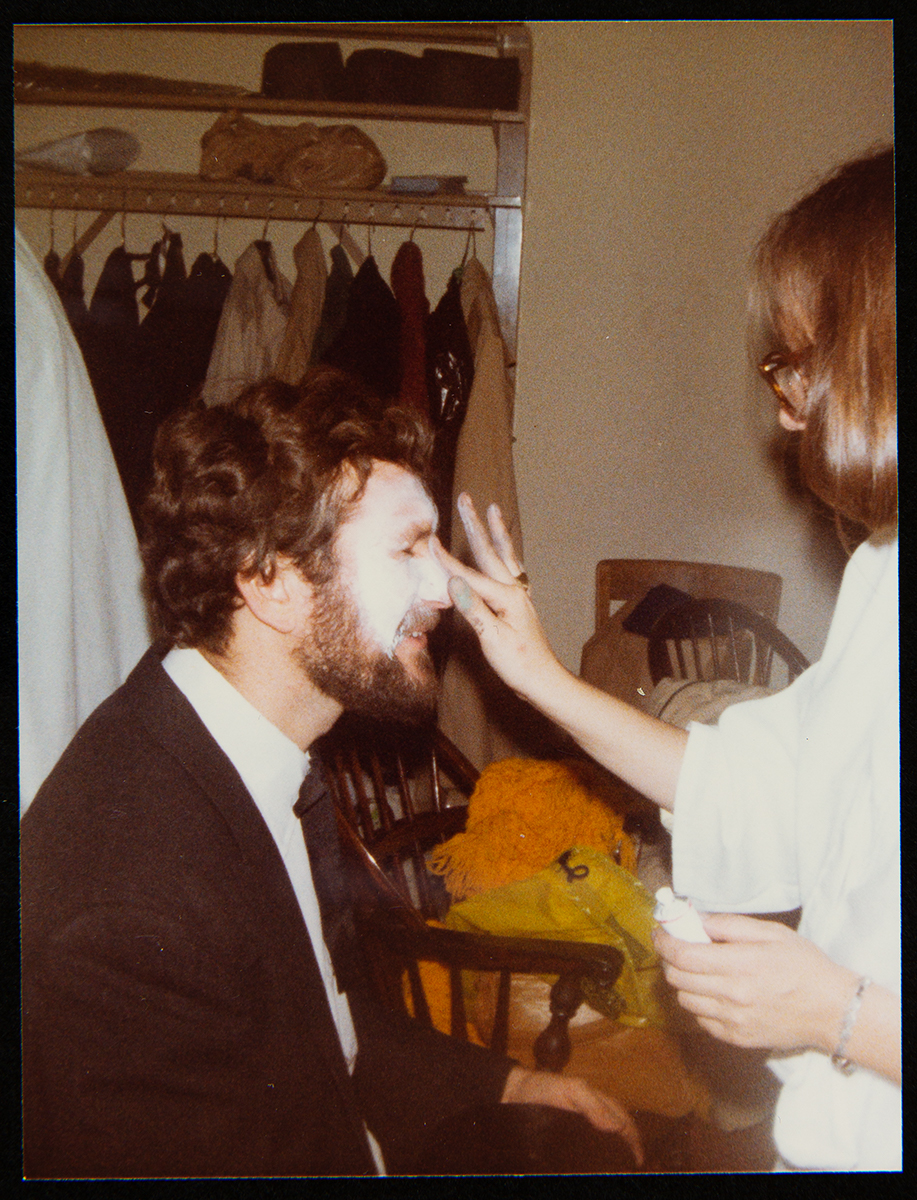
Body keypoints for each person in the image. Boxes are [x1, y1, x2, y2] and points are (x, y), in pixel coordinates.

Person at [20, 369, 642, 1178]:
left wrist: (505, 1081)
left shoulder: (255, 754)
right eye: (408, 547)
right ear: (271, 583)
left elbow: (319, 1029)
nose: (445, 589)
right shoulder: (130, 914)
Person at [433, 146, 899, 1172]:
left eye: (794, 360)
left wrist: (837, 1011)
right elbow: (761, 783)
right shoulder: (883, 566)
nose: (783, 406)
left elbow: (851, 1005)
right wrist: (539, 675)